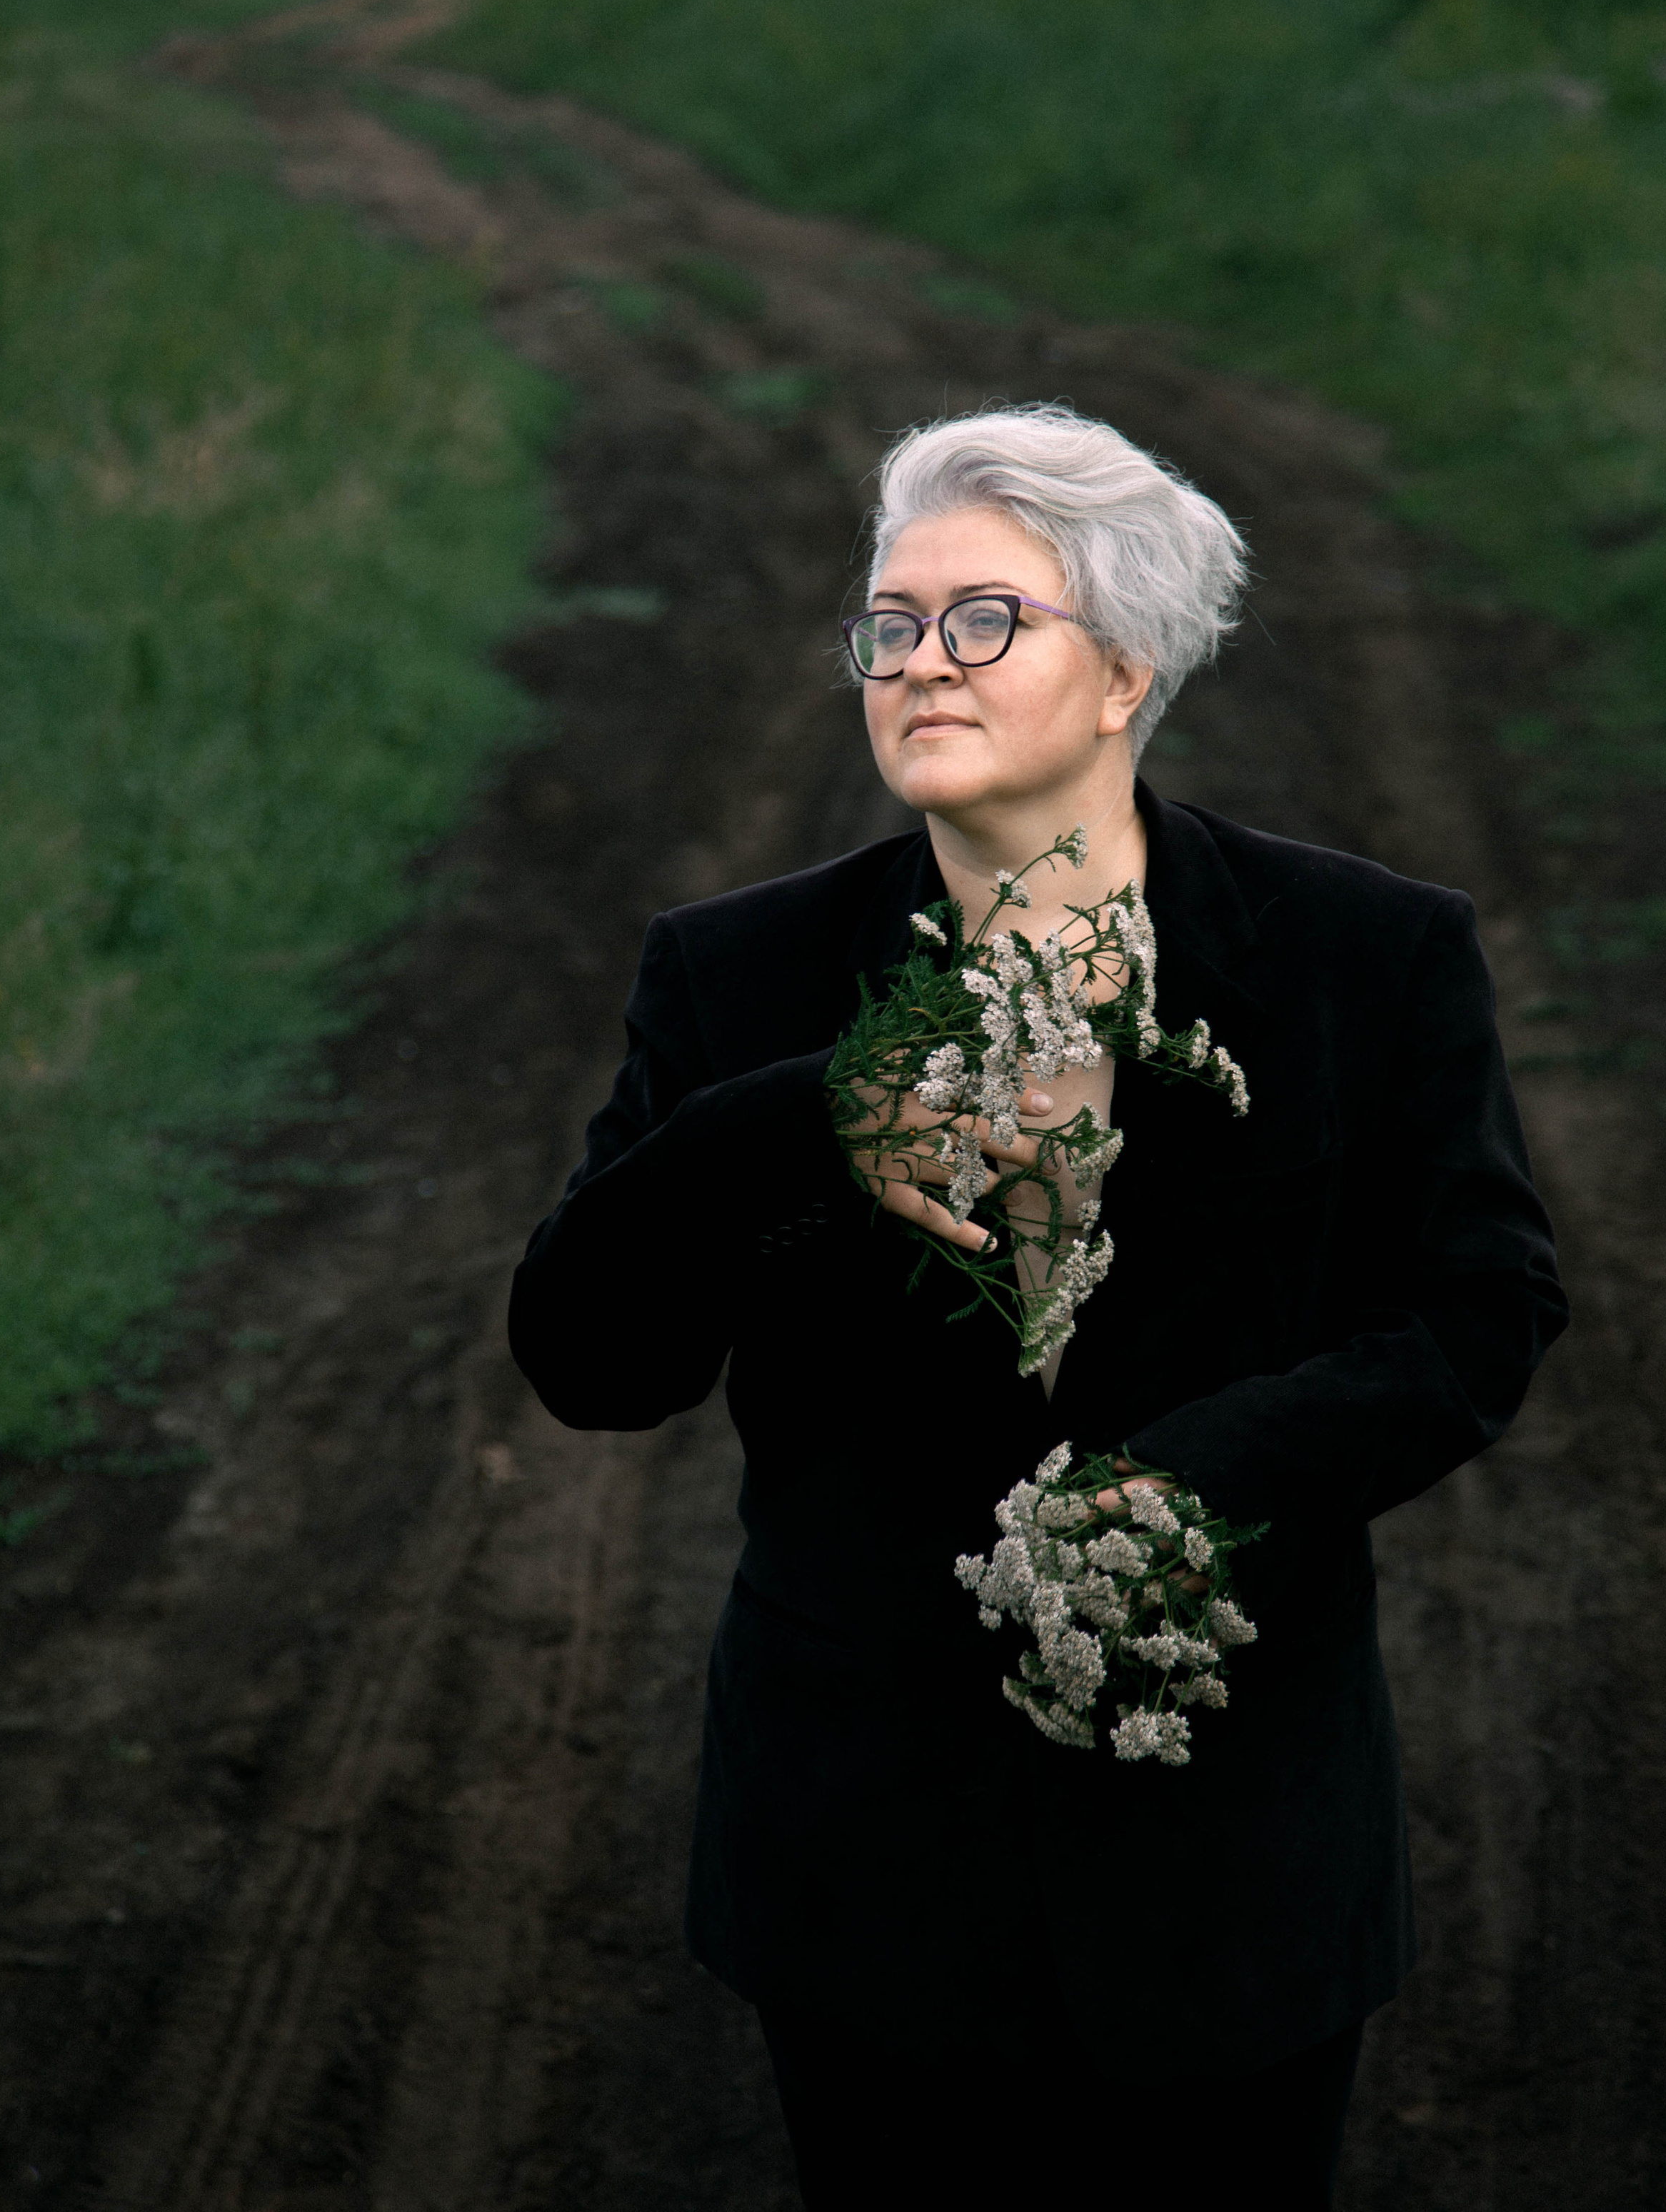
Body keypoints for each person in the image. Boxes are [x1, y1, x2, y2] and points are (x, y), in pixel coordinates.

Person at [508, 404, 1567, 2208]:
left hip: (1231, 1846)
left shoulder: (1361, 953)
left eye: (982, 618)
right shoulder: (736, 975)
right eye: (890, 623)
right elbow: (591, 1359)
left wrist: (1200, 1479)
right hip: (860, 1849)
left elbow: (1479, 1312)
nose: (920, 660)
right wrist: (805, 1113)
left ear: (1123, 672)